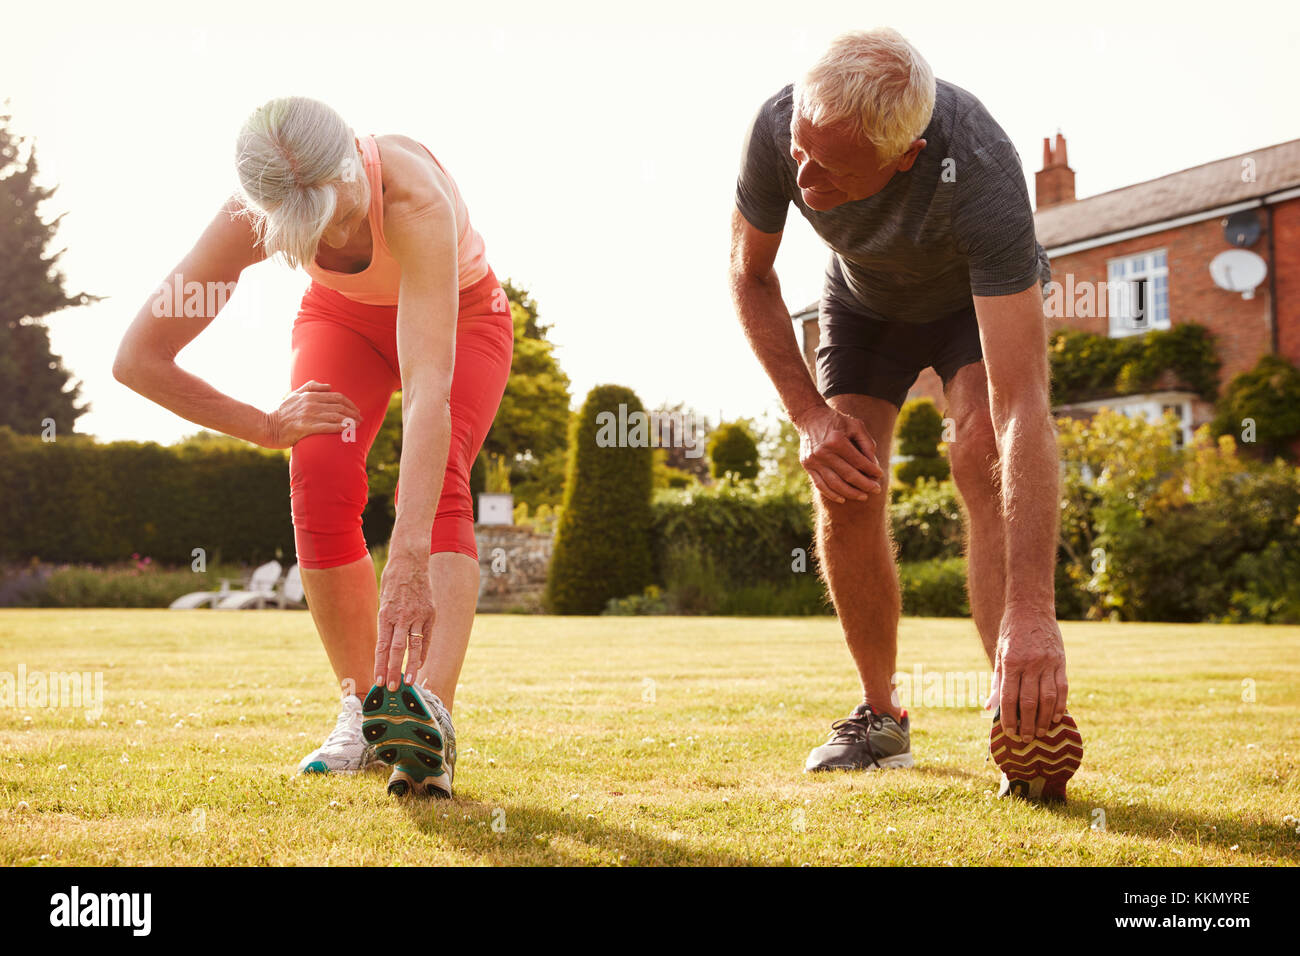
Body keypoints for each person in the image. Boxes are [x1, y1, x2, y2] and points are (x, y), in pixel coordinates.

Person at [113, 97, 513, 798]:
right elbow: (139, 359)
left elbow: (429, 392)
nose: (335, 241)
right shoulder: (247, 218)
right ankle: (363, 712)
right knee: (319, 471)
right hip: (342, 321)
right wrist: (265, 427)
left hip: (466, 318)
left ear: (353, 161)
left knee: (438, 477)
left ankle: (429, 721)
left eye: (341, 218)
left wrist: (408, 558)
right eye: (310, 234)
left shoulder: (414, 199)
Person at [728, 28, 1082, 800]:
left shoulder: (979, 168)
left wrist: (1035, 612)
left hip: (969, 306)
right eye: (801, 152)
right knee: (846, 478)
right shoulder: (780, 126)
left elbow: (1023, 404)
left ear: (906, 157)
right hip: (864, 306)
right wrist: (809, 417)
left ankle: (1017, 707)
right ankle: (881, 717)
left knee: (981, 449)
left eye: (832, 169)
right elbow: (750, 276)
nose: (803, 177)